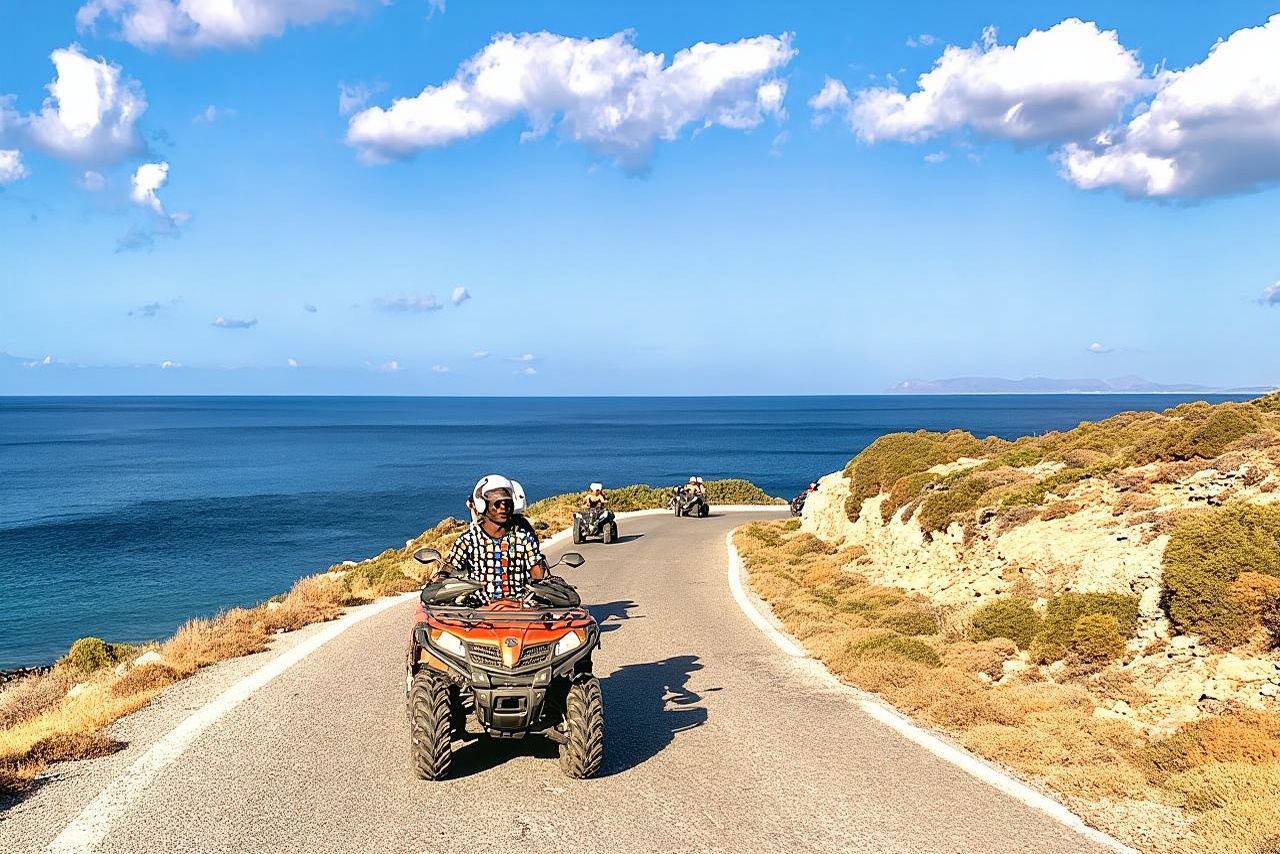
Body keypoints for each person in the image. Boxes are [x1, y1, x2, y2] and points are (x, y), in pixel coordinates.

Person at [441, 474, 547, 600]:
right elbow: (451, 566)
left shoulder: (523, 539)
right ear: (483, 505)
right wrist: (440, 579)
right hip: (479, 610)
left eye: (507, 503)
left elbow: (537, 575)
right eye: (497, 504)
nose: (503, 508)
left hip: (518, 610)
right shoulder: (468, 540)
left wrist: (540, 572)